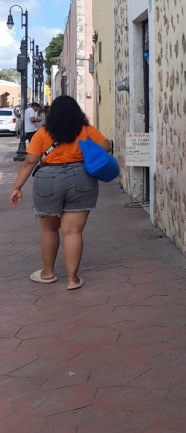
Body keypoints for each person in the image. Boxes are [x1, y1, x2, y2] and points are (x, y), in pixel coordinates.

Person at [9, 96, 112, 290]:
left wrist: (17, 187)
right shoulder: (85, 130)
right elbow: (106, 145)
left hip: (48, 179)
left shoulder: (42, 133)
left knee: (49, 229)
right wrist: (86, 147)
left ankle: (47, 273)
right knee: (73, 231)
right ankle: (73, 279)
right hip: (80, 178)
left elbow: (30, 162)